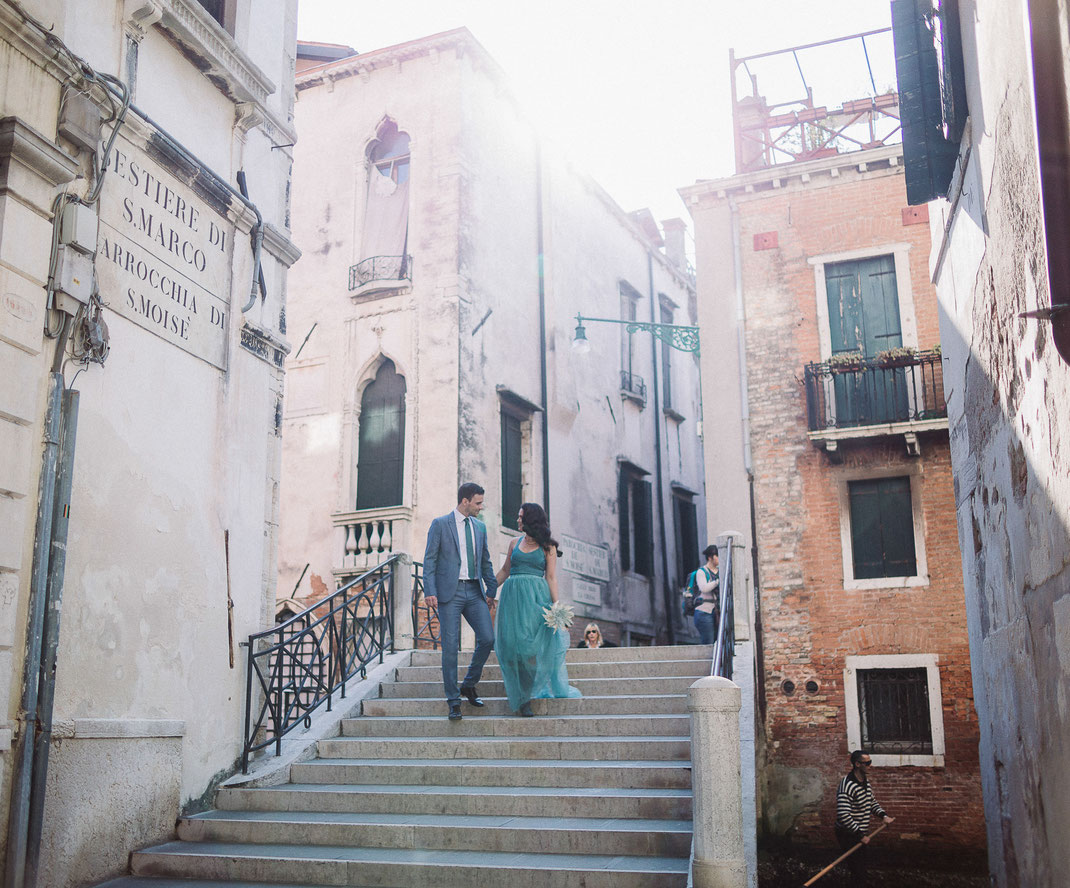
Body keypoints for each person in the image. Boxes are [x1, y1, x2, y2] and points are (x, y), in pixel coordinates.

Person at [494, 503, 582, 716]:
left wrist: (557, 609)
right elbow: (505, 570)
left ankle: (527, 696)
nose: (517, 520)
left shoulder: (547, 547)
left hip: (536, 601)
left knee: (530, 650)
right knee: (511, 648)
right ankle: (522, 699)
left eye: (521, 517)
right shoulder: (513, 543)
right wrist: (488, 590)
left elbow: (551, 577)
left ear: (530, 520)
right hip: (512, 600)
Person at [422, 482, 498, 721]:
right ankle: (454, 701)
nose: (480, 507)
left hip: (474, 591)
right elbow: (429, 560)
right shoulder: (440, 524)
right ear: (465, 501)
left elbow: (485, 561)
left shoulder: (480, 527)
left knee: (487, 638)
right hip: (449, 593)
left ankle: (469, 684)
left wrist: (491, 588)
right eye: (478, 502)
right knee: (451, 648)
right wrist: (429, 590)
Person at [834, 750, 895, 887]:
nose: (870, 766)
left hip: (858, 833)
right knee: (858, 869)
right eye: (867, 763)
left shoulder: (865, 782)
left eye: (870, 762)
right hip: (848, 834)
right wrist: (859, 835)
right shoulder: (847, 785)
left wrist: (883, 816)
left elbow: (871, 802)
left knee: (860, 868)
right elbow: (843, 815)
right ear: (857, 764)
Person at [683, 545, 720, 645]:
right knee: (708, 642)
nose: (719, 558)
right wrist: (717, 582)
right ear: (710, 557)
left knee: (719, 641)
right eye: (717, 556)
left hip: (717, 611)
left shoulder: (720, 571)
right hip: (704, 611)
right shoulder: (701, 572)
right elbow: (704, 588)